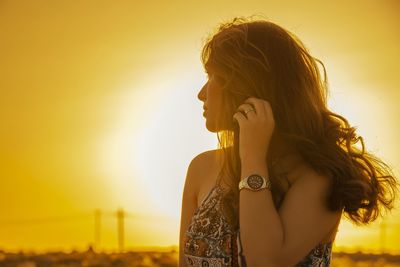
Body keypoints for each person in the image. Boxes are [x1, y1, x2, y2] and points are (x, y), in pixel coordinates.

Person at [179, 17, 398, 267]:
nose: (201, 93)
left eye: (214, 76)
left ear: (249, 83)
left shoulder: (320, 177)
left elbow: (265, 262)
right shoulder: (202, 167)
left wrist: (253, 159)